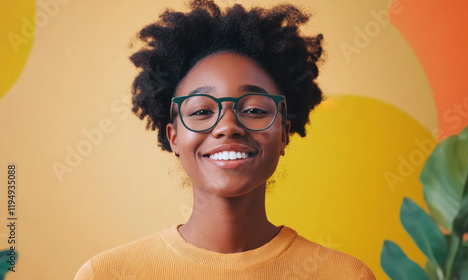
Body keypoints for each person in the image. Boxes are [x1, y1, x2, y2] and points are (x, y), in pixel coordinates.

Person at [75, 0, 376, 279]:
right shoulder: (106, 274)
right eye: (203, 110)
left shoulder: (345, 275)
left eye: (255, 109)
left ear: (284, 131)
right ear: (174, 136)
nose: (228, 126)